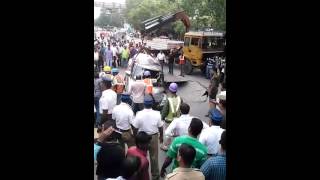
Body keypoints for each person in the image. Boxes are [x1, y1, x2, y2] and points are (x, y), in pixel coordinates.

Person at [132, 95, 164, 180]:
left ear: (144, 103)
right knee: (154, 158)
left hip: (142, 138)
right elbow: (160, 127)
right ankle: (155, 176)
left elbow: (135, 128)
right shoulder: (157, 114)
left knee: (141, 157)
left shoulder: (139, 114)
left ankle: (142, 175)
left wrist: (135, 138)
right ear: (152, 104)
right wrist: (161, 137)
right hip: (153, 137)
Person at [161, 83, 182, 151]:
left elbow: (165, 111)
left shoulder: (168, 100)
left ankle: (166, 146)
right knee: (176, 134)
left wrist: (162, 117)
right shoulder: (180, 99)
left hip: (169, 120)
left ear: (170, 90)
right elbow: (181, 109)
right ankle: (178, 146)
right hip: (177, 120)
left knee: (168, 134)